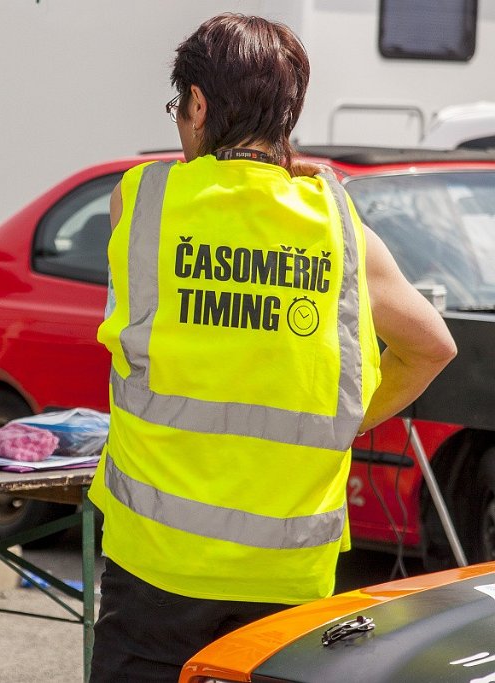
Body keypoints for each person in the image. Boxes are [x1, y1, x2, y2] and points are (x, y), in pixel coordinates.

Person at [87, 13, 457, 682]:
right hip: (291, 577)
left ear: (198, 104)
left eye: (179, 109)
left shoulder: (143, 201)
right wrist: (343, 422)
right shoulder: (339, 227)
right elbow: (432, 348)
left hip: (156, 567)